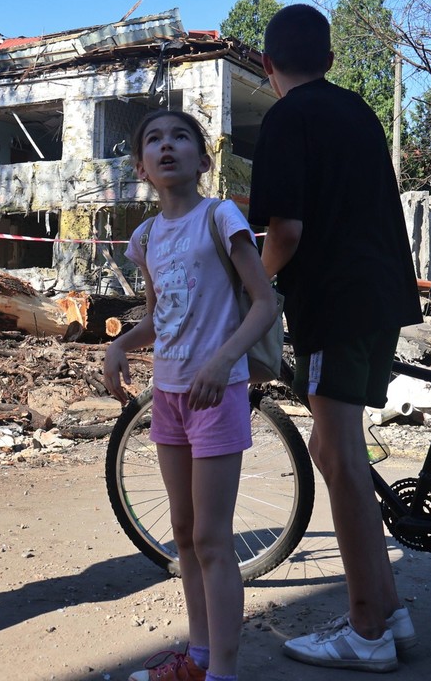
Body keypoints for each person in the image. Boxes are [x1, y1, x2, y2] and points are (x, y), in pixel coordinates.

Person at [248, 4, 424, 673]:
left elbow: (285, 233)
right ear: (329, 60)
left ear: (267, 66)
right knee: (332, 448)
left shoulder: (287, 119)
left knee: (342, 460)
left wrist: (253, 289)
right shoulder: (357, 111)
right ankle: (388, 606)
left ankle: (366, 631)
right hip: (380, 297)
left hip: (337, 304)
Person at [104, 110, 278, 681]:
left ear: (203, 161)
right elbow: (160, 318)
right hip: (169, 398)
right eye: (153, 139)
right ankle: (197, 658)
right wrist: (119, 346)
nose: (167, 146)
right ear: (141, 167)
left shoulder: (219, 216)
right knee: (182, 534)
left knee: (211, 537)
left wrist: (225, 360)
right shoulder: (147, 237)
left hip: (218, 394)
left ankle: (223, 671)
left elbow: (264, 301)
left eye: (180, 137)